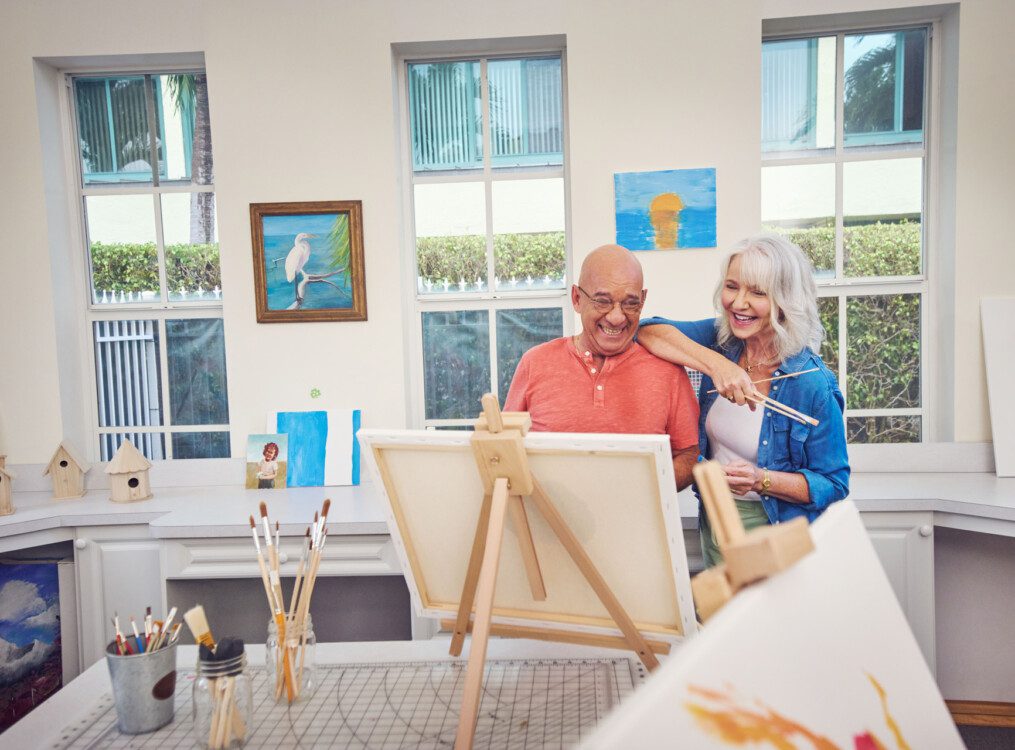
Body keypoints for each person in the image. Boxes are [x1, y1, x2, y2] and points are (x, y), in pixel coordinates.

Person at [638, 233, 849, 567]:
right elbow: (648, 331)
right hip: (716, 521)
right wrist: (716, 363)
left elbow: (834, 484)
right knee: (720, 618)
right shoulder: (722, 341)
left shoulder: (813, 384)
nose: (738, 303)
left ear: (785, 300)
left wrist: (761, 480)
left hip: (777, 532)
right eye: (732, 286)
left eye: (758, 292)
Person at [505, 244, 699, 489]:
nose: (617, 317)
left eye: (630, 304)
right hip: (548, 521)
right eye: (602, 301)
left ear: (643, 300)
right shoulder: (535, 363)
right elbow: (505, 447)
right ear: (577, 298)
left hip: (636, 521)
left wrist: (640, 491)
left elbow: (689, 456)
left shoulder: (668, 371)